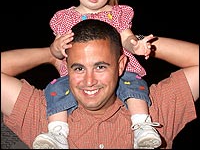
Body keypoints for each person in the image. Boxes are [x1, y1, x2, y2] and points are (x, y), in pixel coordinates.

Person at [1, 19, 199, 149]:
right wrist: (51, 54)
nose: (89, 81)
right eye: (78, 68)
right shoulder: (45, 112)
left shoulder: (152, 109)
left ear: (121, 65)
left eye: (100, 67)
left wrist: (134, 42)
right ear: (67, 68)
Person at [31, 0, 162, 149]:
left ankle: (142, 125)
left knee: (135, 85)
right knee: (56, 89)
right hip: (77, 74)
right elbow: (56, 52)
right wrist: (56, 48)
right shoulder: (65, 18)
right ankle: (57, 131)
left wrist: (136, 44)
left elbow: (126, 37)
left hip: (119, 71)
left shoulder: (116, 14)